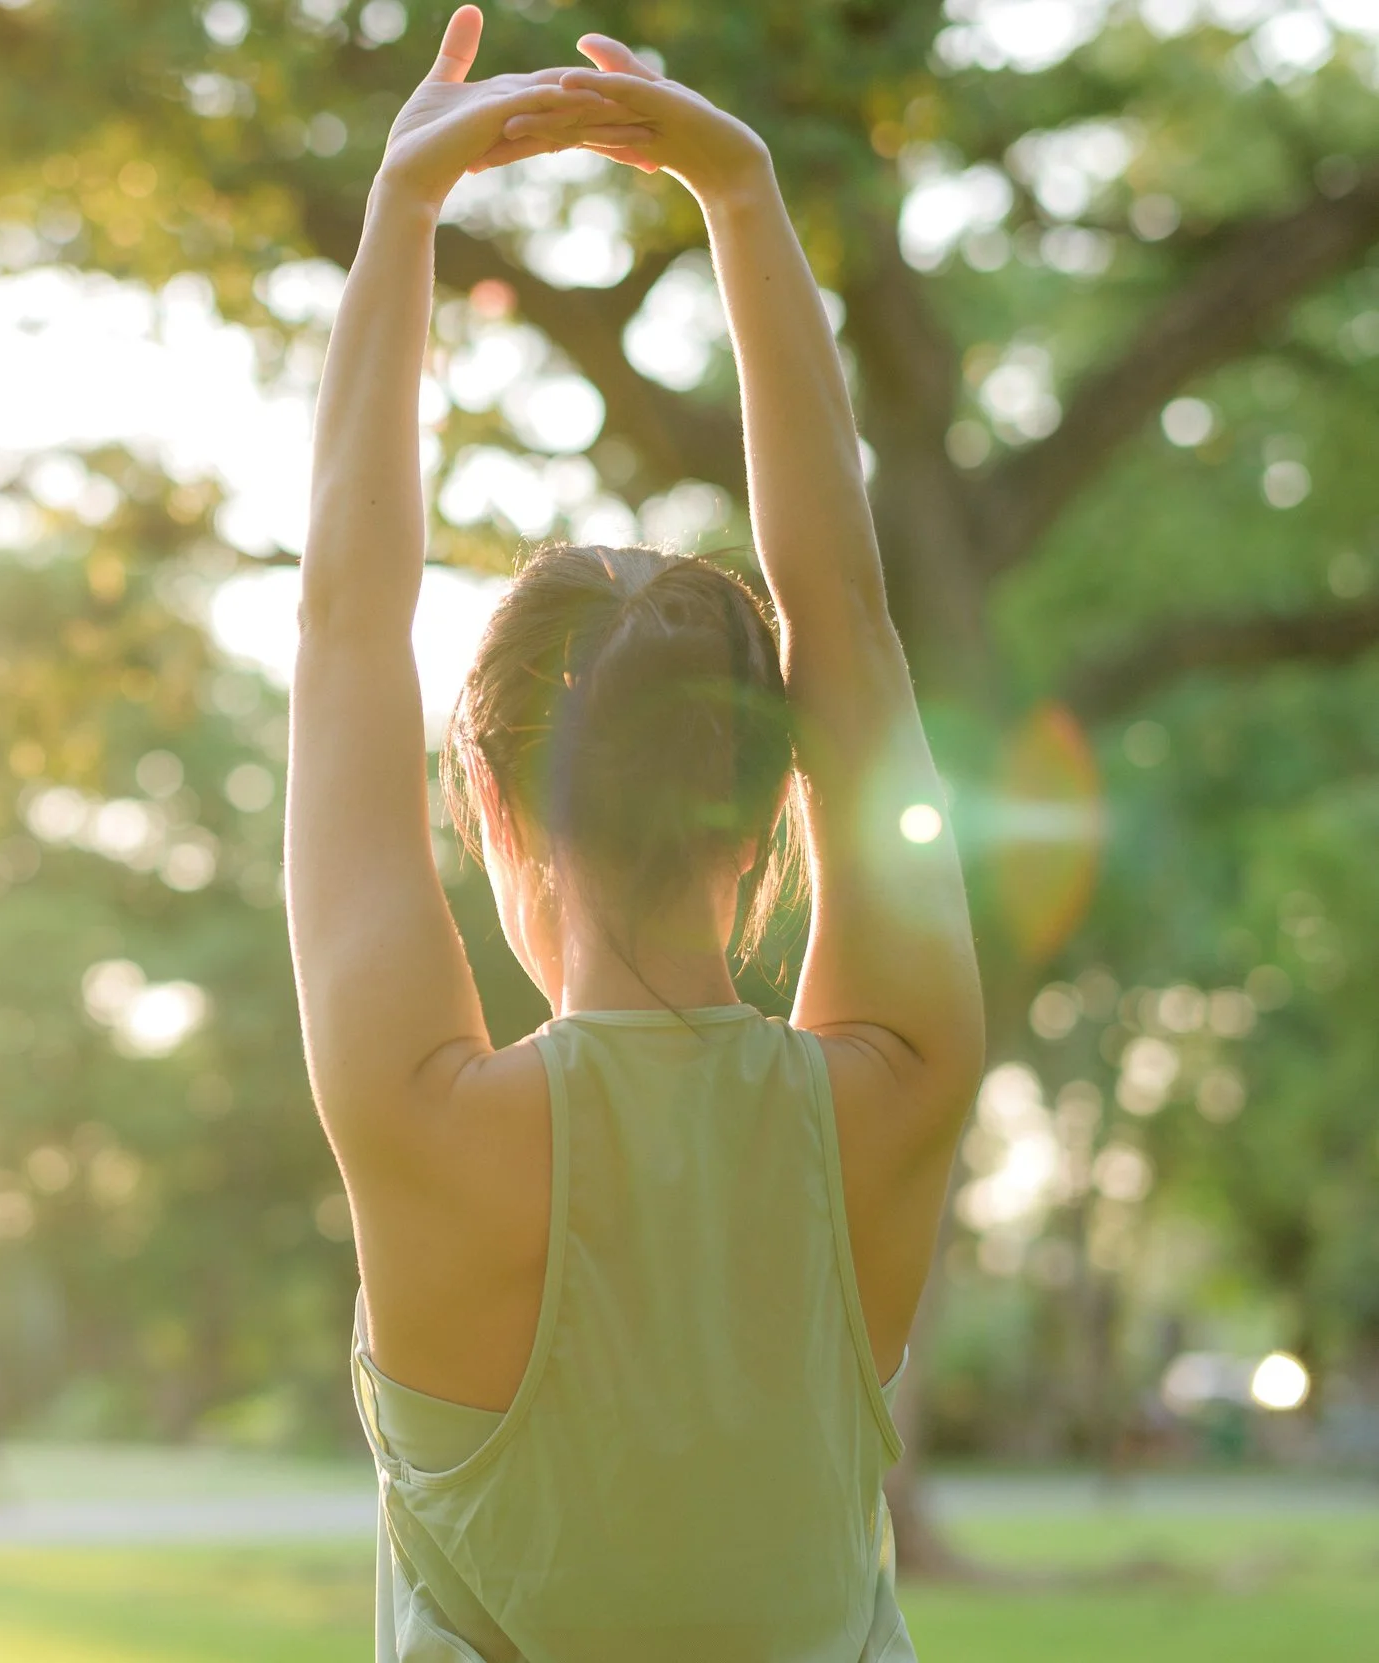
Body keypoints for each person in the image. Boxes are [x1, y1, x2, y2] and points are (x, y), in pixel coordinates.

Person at [285, 11, 984, 1659]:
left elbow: (340, 629)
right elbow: (856, 630)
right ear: (773, 796)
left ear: (491, 800)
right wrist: (743, 204)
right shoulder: (897, 1082)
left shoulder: (426, 1123)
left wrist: (403, 215)